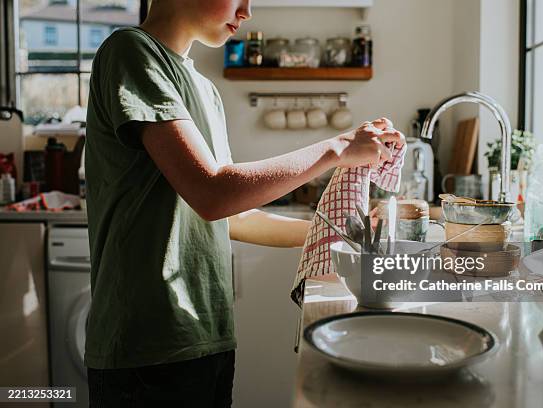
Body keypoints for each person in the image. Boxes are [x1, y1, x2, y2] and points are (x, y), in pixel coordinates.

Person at [84, 0, 404, 406]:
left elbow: (232, 216)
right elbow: (212, 192)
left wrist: (342, 233)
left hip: (206, 334)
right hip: (146, 344)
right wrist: (339, 147)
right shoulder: (131, 51)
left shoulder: (204, 90)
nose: (247, 11)